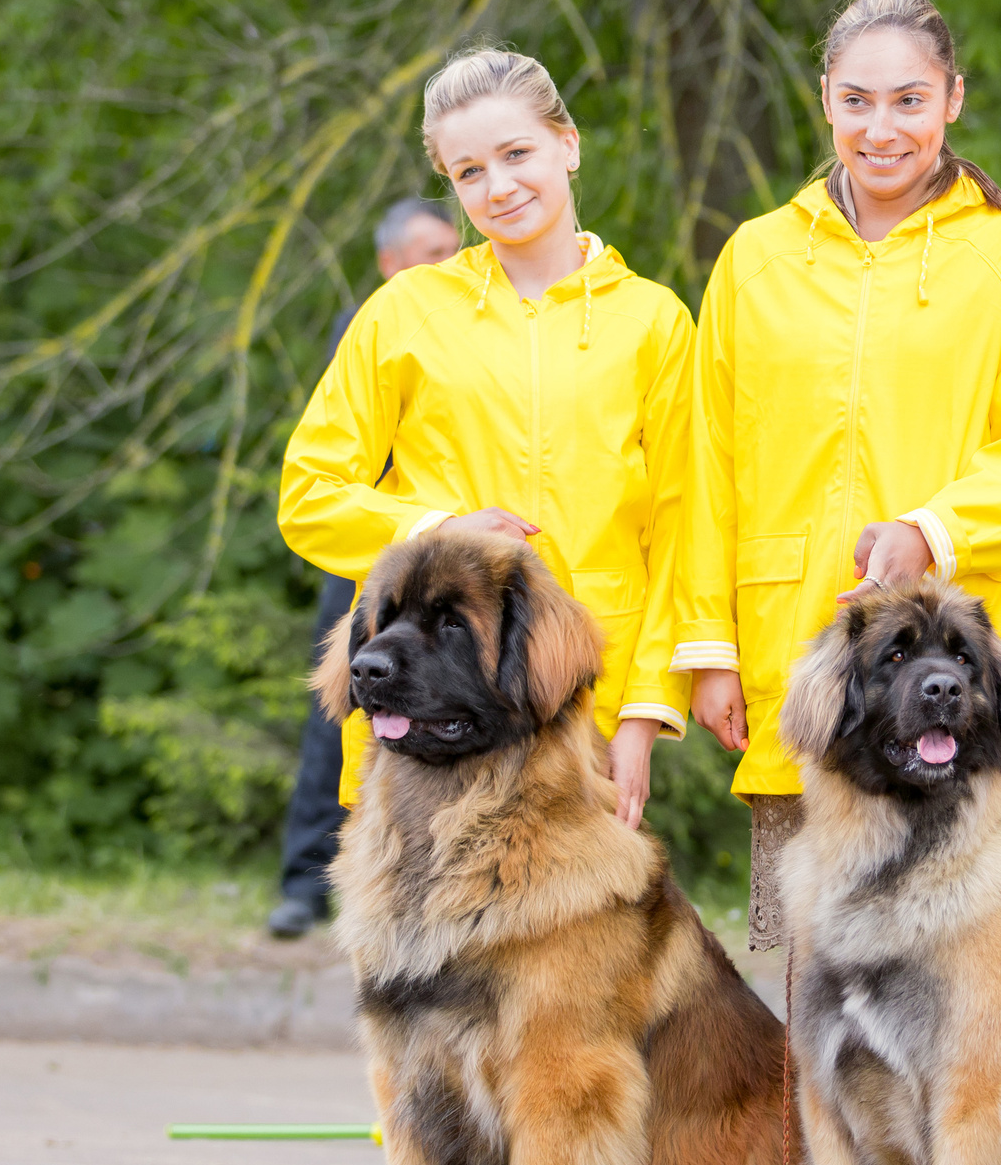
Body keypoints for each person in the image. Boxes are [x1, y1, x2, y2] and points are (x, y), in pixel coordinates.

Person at [654, 0, 1001, 947]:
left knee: (990, 997)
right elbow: (704, 468)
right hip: (806, 675)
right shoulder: (756, 260)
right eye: (856, 101)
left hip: (965, 683)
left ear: (953, 99)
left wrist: (932, 530)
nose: (880, 129)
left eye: (908, 101)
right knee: (829, 1009)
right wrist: (709, 648)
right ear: (825, 100)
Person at [280, 48, 697, 838]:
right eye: (469, 172)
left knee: (574, 957)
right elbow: (309, 496)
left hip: (585, 713)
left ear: (567, 144)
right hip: (422, 707)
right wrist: (439, 530)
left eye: (516, 154)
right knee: (417, 958)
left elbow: (685, 531)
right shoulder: (404, 311)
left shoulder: (656, 322)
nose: (499, 187)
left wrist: (647, 711)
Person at [267, 198, 459, 940]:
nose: (442, 263)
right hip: (369, 559)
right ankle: (305, 881)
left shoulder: (478, 322)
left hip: (443, 570)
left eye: (451, 249)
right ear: (388, 264)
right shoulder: (374, 323)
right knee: (341, 714)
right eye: (425, 252)